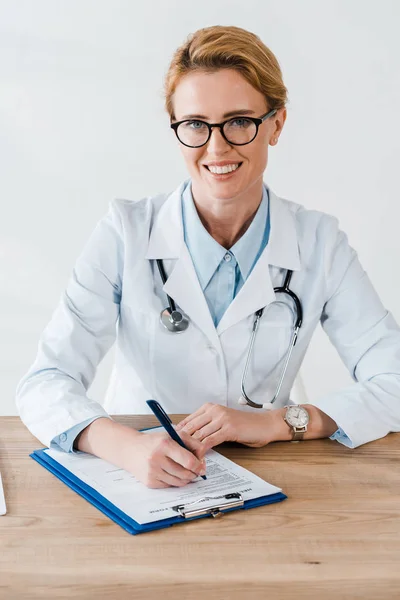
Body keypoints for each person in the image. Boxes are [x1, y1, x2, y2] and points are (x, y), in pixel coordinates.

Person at [16, 25, 400, 489]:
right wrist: (126, 447)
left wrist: (282, 422)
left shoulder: (319, 242)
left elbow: (393, 380)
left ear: (276, 124)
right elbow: (45, 382)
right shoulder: (125, 233)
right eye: (196, 124)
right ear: (177, 131)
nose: (217, 147)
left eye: (239, 121)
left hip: (271, 479)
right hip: (139, 479)